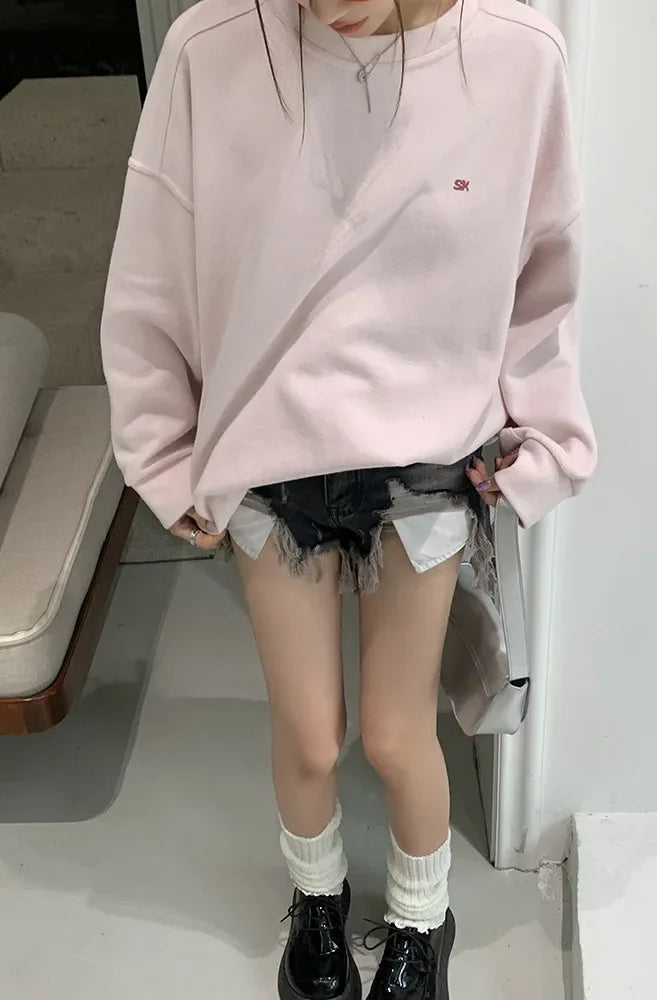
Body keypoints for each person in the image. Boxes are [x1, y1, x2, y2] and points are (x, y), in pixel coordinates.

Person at [100, 0, 597, 994]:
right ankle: (317, 901)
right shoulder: (211, 50)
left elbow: (543, 282)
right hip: (268, 457)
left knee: (400, 732)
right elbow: (153, 275)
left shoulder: (516, 56)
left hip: (426, 464)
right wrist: (160, 449)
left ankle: (420, 920)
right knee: (309, 733)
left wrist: (542, 443)